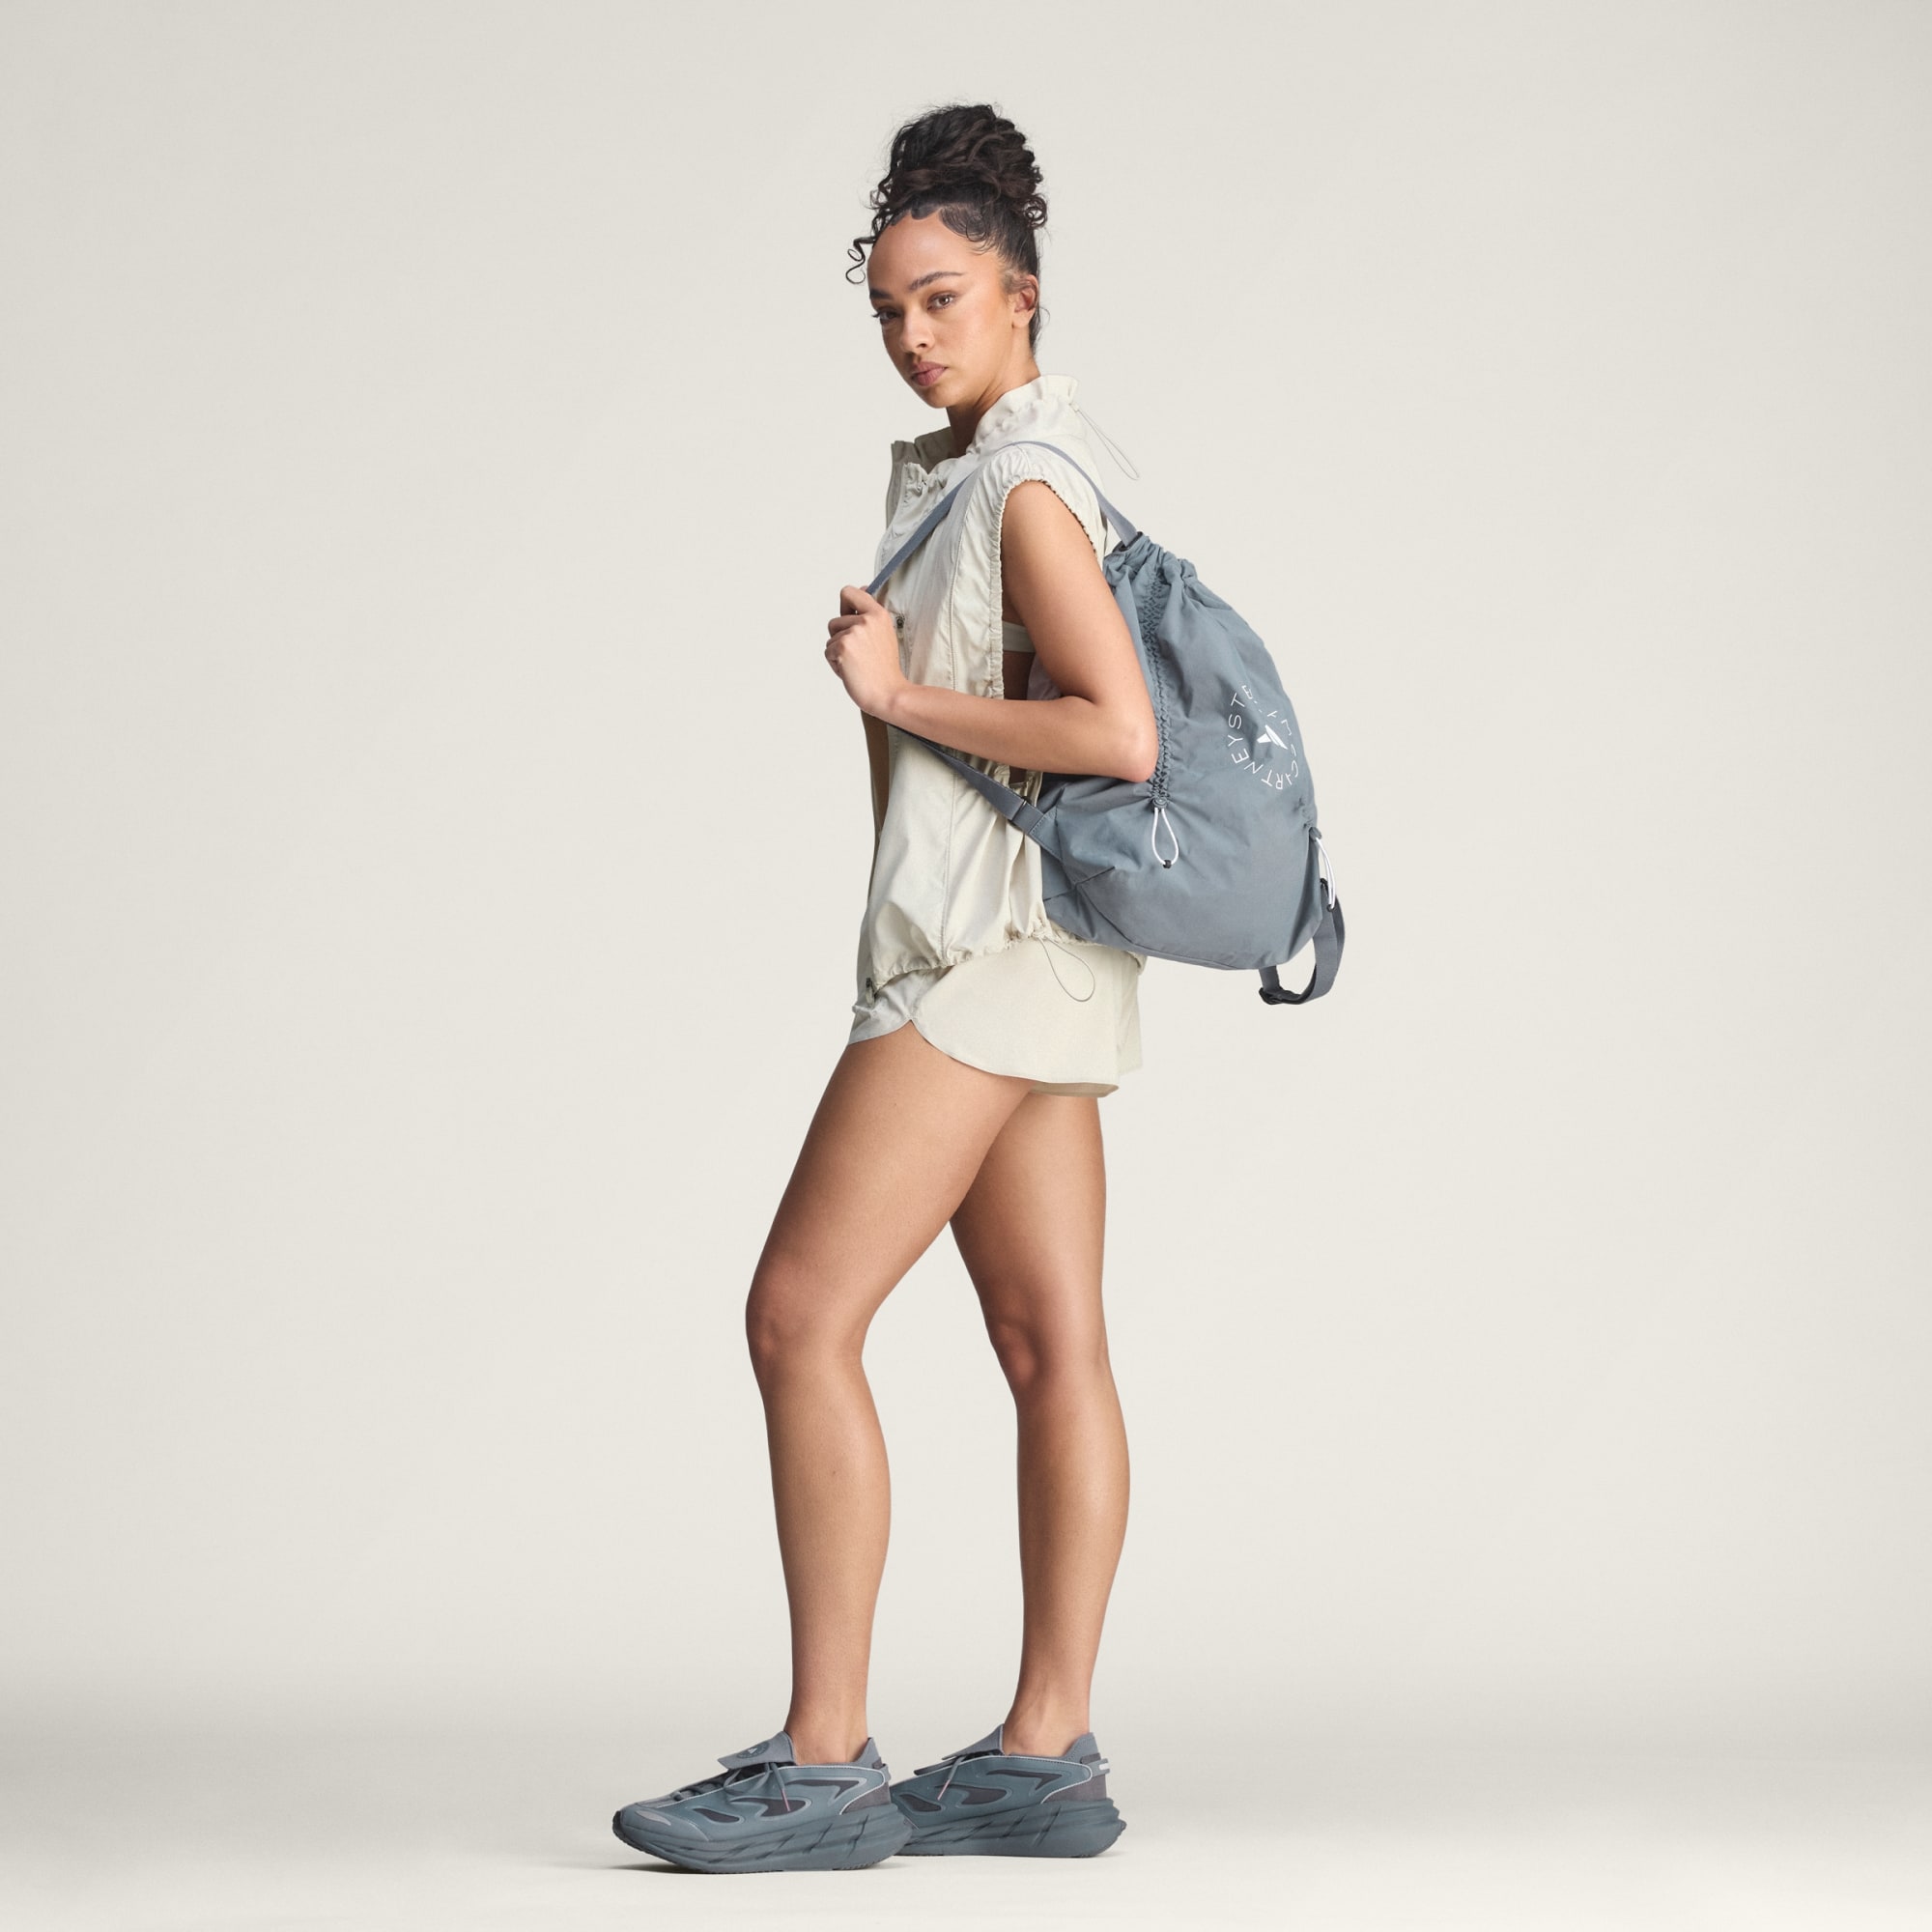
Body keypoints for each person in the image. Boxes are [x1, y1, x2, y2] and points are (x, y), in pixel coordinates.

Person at [612, 103, 1157, 1875]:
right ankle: (1045, 1757)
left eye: (943, 300)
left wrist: (896, 692)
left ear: (1021, 293)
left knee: (798, 1315)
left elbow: (1117, 736)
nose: (915, 334)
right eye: (889, 310)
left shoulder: (1020, 484)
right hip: (1049, 955)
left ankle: (824, 1762)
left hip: (979, 954)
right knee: (1048, 1344)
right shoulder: (994, 467)